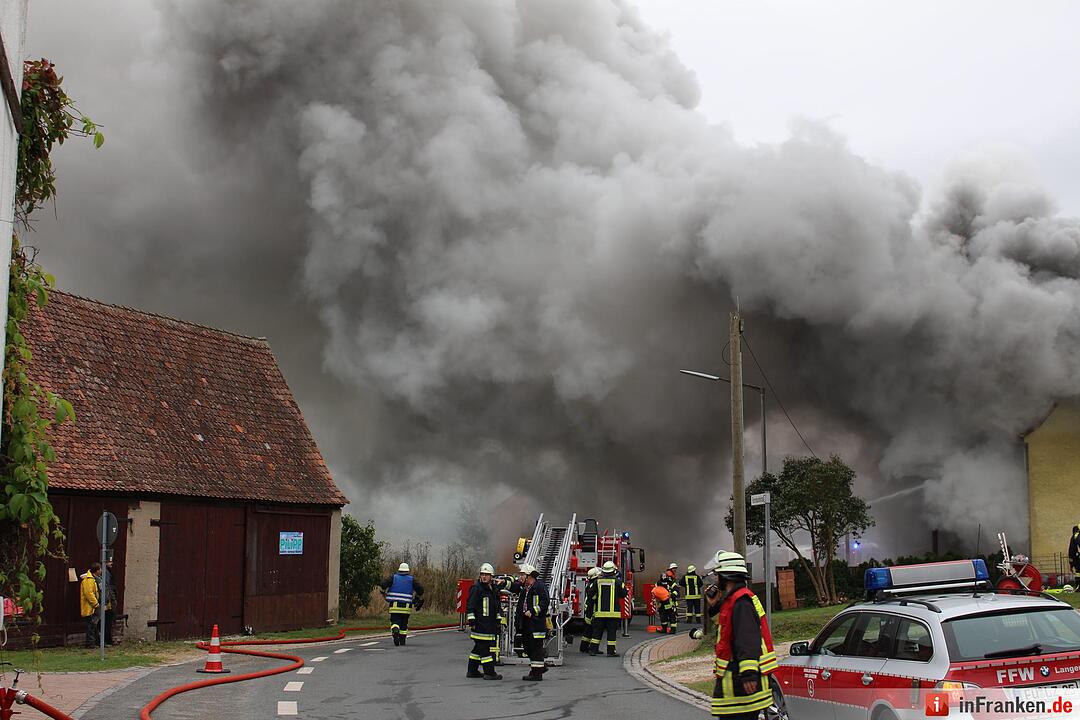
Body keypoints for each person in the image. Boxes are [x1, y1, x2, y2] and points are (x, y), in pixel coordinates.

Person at [704, 551, 778, 720]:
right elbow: (725, 630)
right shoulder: (734, 600)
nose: (716, 580)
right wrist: (714, 606)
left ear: (726, 576)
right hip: (737, 686)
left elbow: (747, 639)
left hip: (742, 686)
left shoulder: (741, 603)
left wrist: (749, 674)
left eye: (717, 575)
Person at [465, 563, 503, 680]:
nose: (484, 577)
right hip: (480, 625)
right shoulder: (477, 588)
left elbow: (496, 606)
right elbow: (470, 605)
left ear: (492, 576)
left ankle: (472, 671)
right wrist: (472, 621)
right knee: (485, 650)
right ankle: (490, 672)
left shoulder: (492, 589)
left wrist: (499, 619)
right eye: (482, 574)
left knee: (477, 649)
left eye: (487, 575)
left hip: (489, 625)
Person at [517, 563, 549, 681]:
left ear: (529, 576)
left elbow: (545, 602)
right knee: (528, 647)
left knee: (535, 649)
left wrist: (532, 611)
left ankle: (536, 673)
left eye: (522, 575)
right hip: (527, 623)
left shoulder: (539, 587)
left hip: (536, 623)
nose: (520, 577)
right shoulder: (526, 588)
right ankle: (540, 667)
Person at [379, 562, 425, 646]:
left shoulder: (394, 577)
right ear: (407, 571)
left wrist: (383, 591)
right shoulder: (412, 579)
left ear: (399, 570)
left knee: (395, 621)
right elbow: (420, 589)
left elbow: (383, 584)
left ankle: (395, 630)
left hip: (394, 606)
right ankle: (402, 641)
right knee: (404, 624)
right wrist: (417, 597)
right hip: (406, 608)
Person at [588, 561, 627, 656]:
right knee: (611, 633)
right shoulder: (618, 582)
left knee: (597, 632)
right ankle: (610, 652)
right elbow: (624, 594)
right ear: (614, 570)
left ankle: (593, 650)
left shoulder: (597, 581)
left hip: (600, 613)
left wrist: (596, 598)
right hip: (613, 613)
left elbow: (590, 594)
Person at [80, 562, 102, 647]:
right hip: (90, 607)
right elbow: (89, 593)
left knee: (94, 625)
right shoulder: (88, 580)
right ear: (96, 570)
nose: (101, 570)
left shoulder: (93, 579)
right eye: (100, 569)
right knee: (91, 625)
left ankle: (95, 642)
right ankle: (89, 643)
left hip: (93, 606)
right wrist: (96, 604)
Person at [579, 566, 601, 653]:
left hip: (587, 610)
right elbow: (594, 599)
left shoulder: (590, 584)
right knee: (594, 630)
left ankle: (583, 647)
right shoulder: (595, 584)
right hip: (591, 611)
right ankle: (593, 648)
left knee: (587, 630)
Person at [657, 564, 680, 634]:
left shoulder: (671, 583)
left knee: (672, 616)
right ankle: (664, 629)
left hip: (670, 602)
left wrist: (672, 595)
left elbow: (676, 590)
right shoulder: (659, 583)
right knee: (663, 616)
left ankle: (673, 630)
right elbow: (655, 590)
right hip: (663, 603)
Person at [681, 564, 704, 629]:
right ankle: (698, 620)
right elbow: (701, 584)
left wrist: (686, 585)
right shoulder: (697, 577)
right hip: (696, 596)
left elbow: (680, 583)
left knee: (689, 608)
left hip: (689, 596)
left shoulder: (685, 577)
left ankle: (689, 620)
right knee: (697, 608)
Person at [103, 559, 117, 645]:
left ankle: (107, 639)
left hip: (109, 599)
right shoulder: (106, 573)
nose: (111, 563)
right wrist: (111, 599)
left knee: (108, 620)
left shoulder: (107, 572)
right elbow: (107, 587)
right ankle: (107, 639)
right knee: (108, 620)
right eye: (109, 561)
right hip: (108, 600)